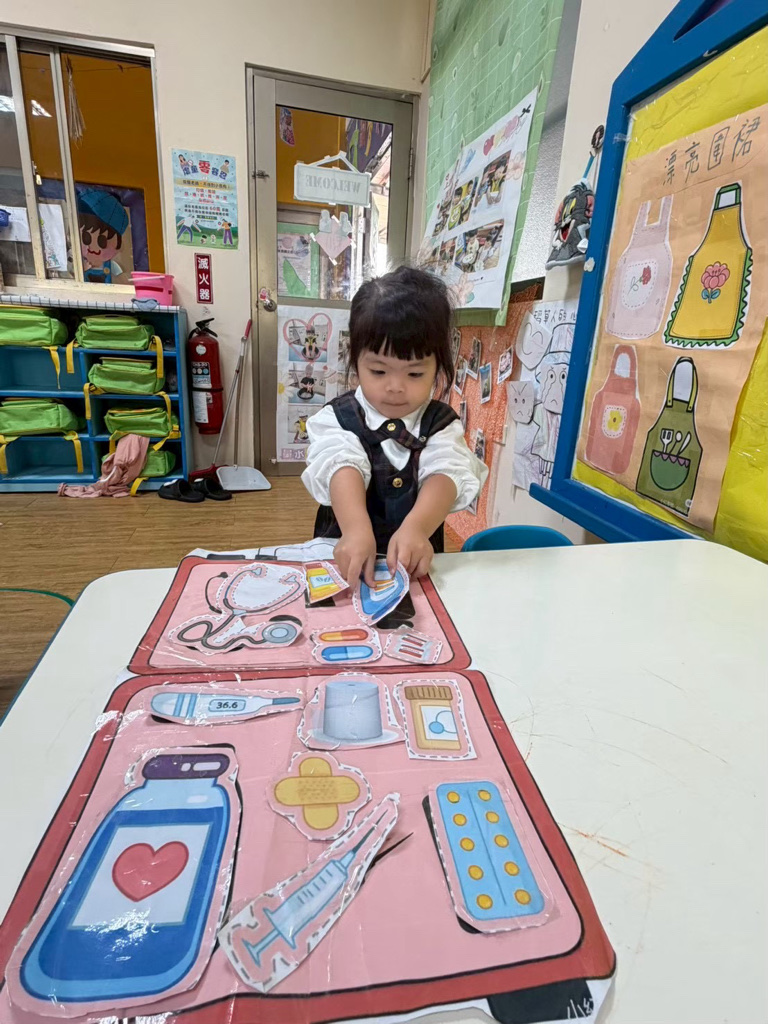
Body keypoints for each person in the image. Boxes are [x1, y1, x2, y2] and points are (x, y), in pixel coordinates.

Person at [302, 266, 488, 585]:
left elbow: (446, 471)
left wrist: (417, 527)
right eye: (378, 371)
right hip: (344, 559)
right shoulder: (338, 418)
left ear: (438, 368)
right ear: (356, 361)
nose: (395, 387)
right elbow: (341, 464)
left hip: (413, 566)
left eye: (414, 374)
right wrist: (355, 529)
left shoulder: (440, 423)